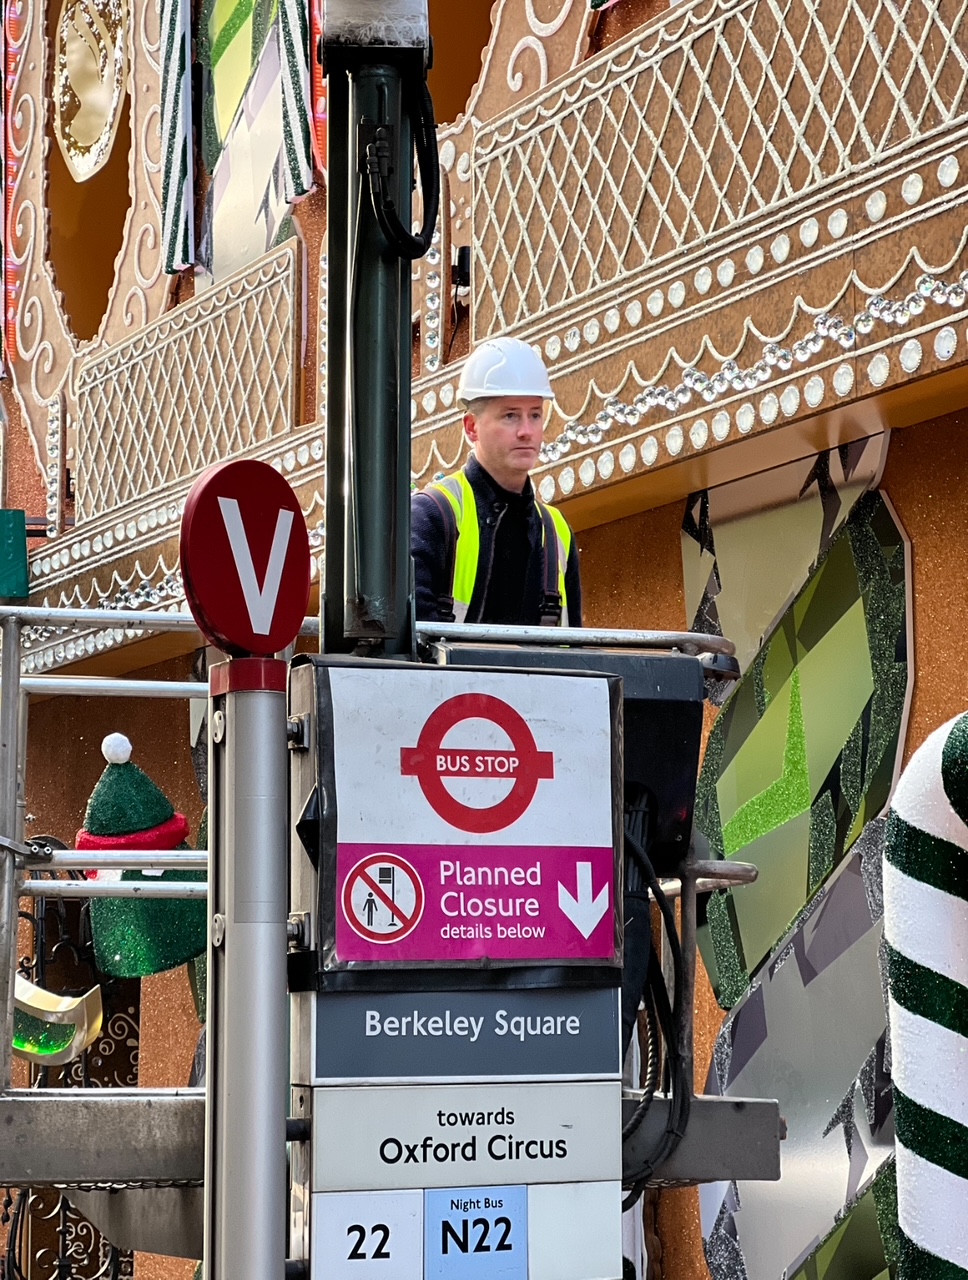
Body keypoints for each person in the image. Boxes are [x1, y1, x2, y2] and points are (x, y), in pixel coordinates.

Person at [412, 337, 582, 626]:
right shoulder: (431, 517)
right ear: (471, 427)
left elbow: (575, 654)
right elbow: (409, 659)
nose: (527, 431)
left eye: (535, 415)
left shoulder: (557, 533)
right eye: (510, 416)